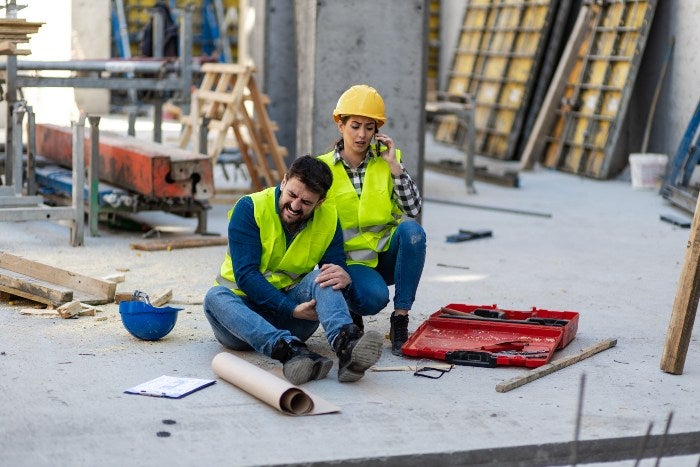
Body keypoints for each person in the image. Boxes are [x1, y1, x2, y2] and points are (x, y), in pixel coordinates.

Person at [203, 156, 383, 385]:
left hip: (295, 317)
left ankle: (346, 346)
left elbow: (334, 272)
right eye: (292, 195)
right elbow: (246, 276)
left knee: (326, 276)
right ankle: (290, 352)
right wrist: (292, 309)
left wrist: (344, 278)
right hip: (239, 322)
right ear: (284, 181)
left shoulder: (328, 218)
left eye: (306, 202)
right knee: (214, 297)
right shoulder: (251, 207)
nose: (295, 206)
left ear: (320, 201)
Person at [317, 84, 426, 356]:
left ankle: (400, 319)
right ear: (340, 125)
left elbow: (412, 208)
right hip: (351, 263)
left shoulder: (388, 161)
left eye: (369, 127)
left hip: (386, 255)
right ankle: (350, 307)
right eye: (355, 126)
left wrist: (394, 166)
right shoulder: (322, 169)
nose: (362, 134)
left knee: (413, 232)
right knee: (374, 299)